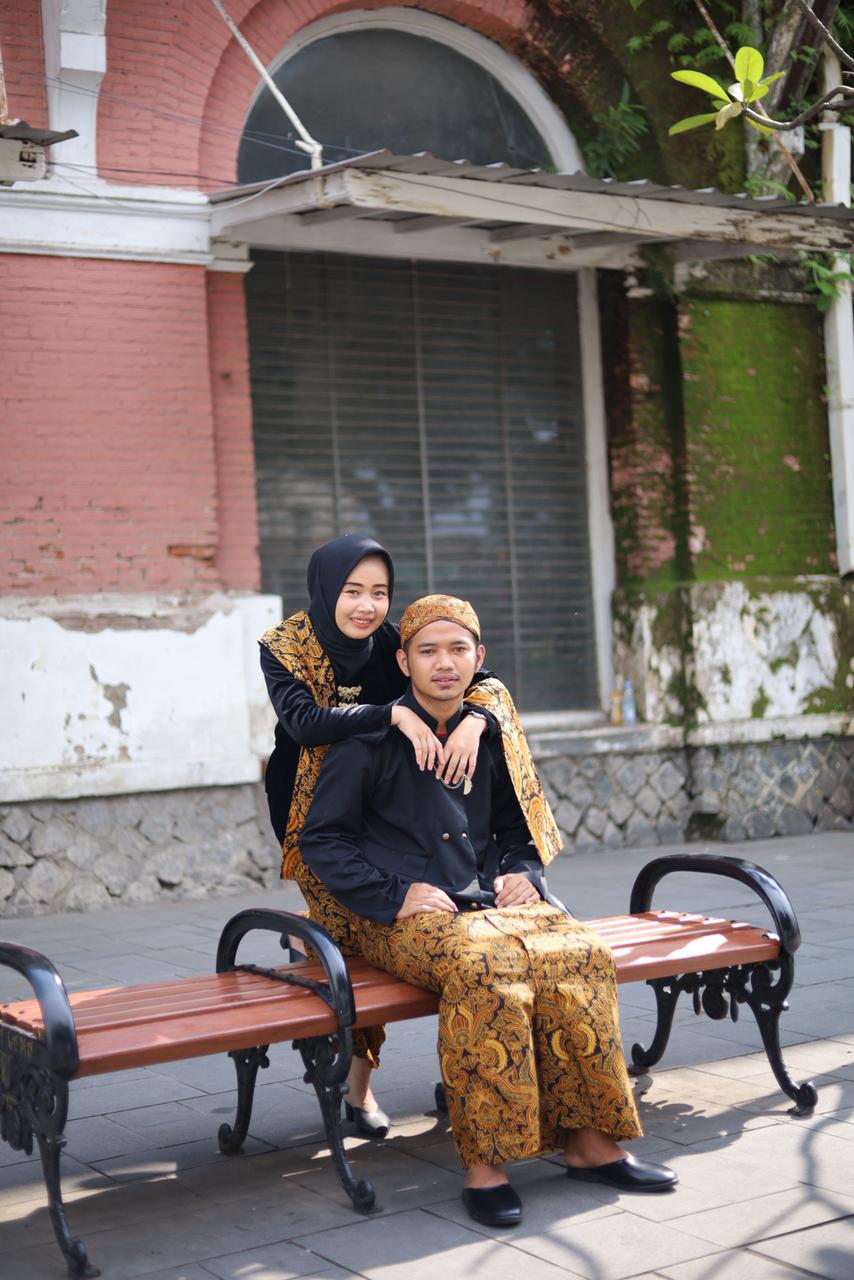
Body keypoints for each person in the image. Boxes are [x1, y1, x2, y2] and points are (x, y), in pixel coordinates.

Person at [300, 594, 677, 1227]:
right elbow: (323, 841)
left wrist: (522, 874)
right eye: (427, 651)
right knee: (485, 968)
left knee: (581, 952)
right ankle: (487, 1163)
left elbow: (515, 829)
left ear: (479, 657)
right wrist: (395, 893)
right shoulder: (367, 738)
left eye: (457, 650)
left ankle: (590, 1143)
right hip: (399, 918)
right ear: (404, 661)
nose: (444, 663)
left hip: (486, 901)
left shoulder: (489, 735)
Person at [259, 535, 490, 1134]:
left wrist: (477, 721)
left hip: (388, 799)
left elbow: (478, 679)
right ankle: (356, 1090)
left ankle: (471, 1068)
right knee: (352, 936)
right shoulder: (284, 646)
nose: (367, 606)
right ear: (325, 589)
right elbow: (304, 722)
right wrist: (392, 713)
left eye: (380, 592)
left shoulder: (392, 642)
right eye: (352, 591)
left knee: (410, 920)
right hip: (311, 807)